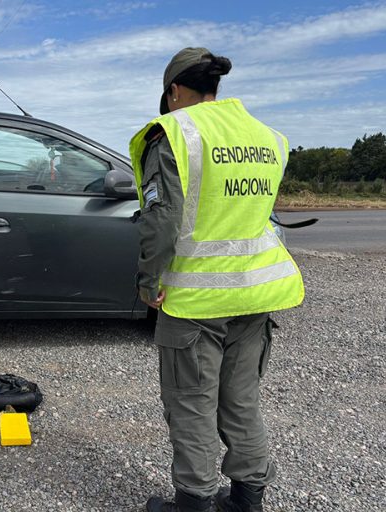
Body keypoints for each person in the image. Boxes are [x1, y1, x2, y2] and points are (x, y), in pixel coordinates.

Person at [129, 48, 305, 512]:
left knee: (191, 406)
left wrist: (149, 281)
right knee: (241, 402)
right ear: (215, 87)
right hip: (256, 293)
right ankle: (247, 500)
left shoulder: (175, 133)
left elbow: (162, 218)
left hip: (195, 301)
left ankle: (196, 502)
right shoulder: (267, 137)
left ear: (174, 91)